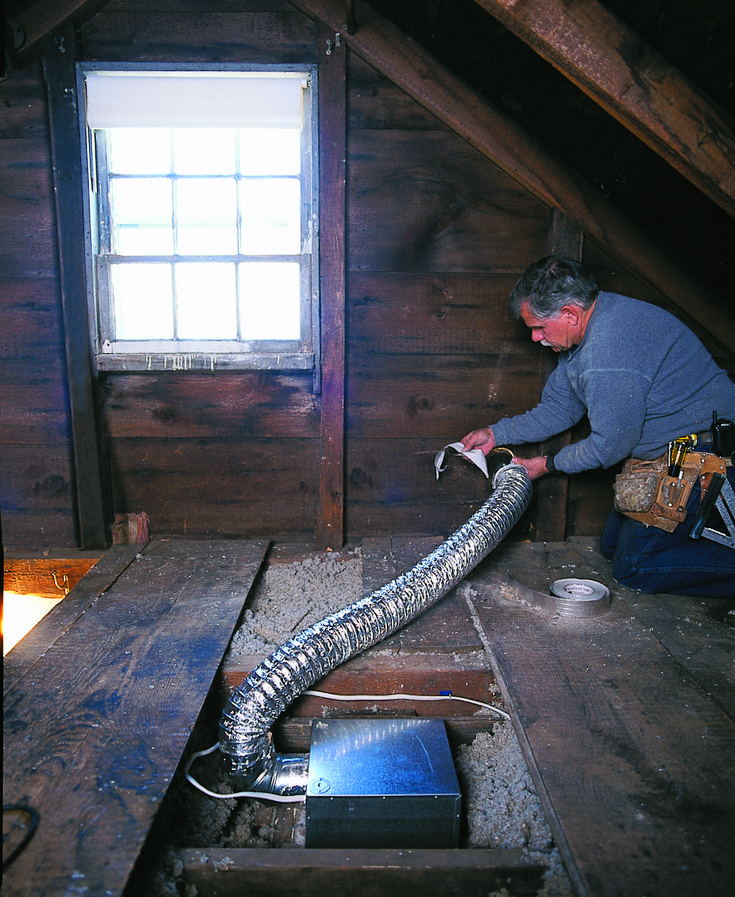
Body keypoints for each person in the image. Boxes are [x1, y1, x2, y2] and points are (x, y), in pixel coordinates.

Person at [461, 255, 735, 598]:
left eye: (539, 327)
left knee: (634, 568)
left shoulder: (605, 352)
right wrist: (496, 433)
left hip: (707, 457)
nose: (535, 338)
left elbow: (610, 446)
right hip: (669, 455)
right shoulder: (588, 335)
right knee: (611, 547)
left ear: (570, 314)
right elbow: (559, 410)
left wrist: (546, 465)